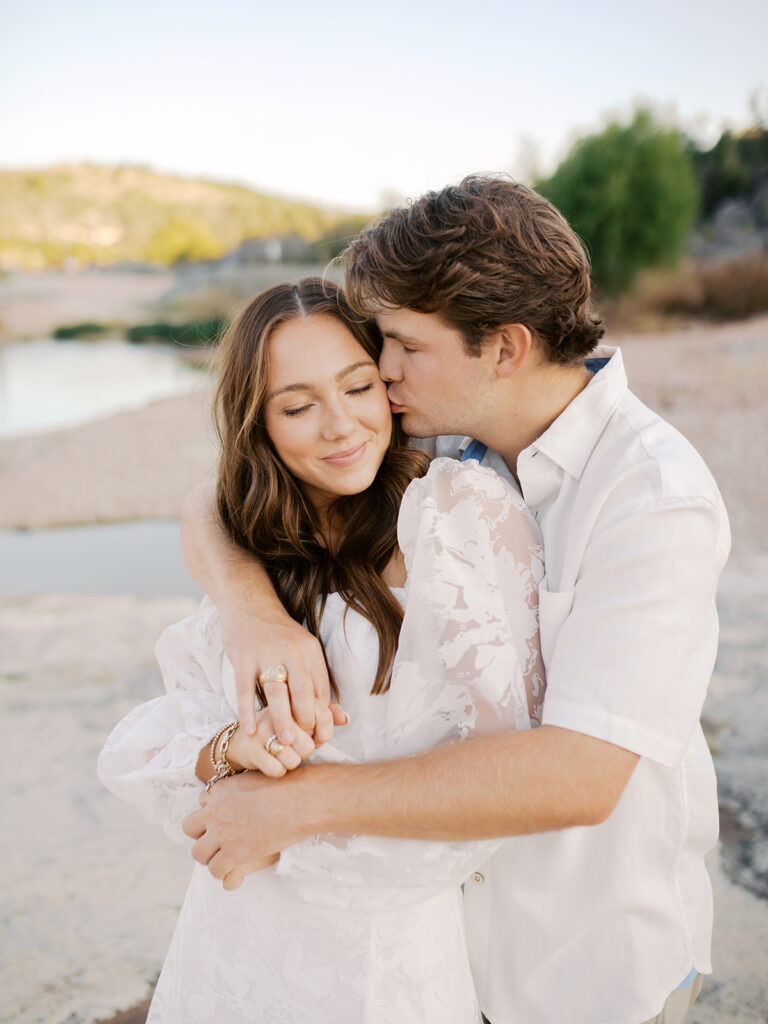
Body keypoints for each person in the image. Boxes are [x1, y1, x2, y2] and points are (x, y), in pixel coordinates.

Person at [181, 176, 731, 1024]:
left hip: (581, 969)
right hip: (442, 957)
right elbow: (212, 502)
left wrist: (298, 803)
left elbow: (580, 775)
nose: (383, 370)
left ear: (504, 348)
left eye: (402, 344)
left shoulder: (653, 498)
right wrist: (249, 610)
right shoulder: (439, 436)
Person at [98, 277, 546, 1023]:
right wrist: (229, 752)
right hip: (227, 950)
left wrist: (282, 830)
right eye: (299, 406)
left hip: (386, 967)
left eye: (358, 387)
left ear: (388, 382)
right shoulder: (251, 542)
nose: (340, 426)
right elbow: (163, 755)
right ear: (260, 424)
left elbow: (497, 791)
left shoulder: (460, 516)